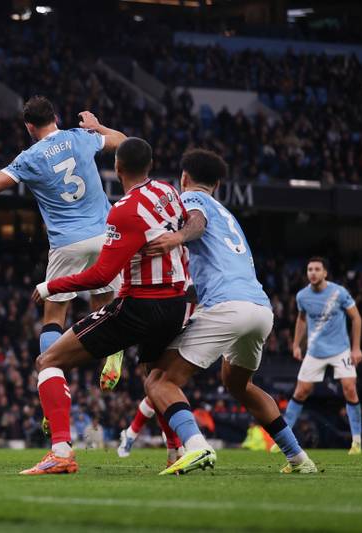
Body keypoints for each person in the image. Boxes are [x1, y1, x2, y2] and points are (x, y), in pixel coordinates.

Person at [141, 149, 317, 475]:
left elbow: (196, 222)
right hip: (260, 309)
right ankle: (299, 459)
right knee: (238, 384)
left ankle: (196, 445)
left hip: (227, 306)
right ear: (219, 183)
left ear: (184, 178)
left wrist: (177, 237)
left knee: (159, 381)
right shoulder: (229, 214)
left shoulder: (192, 200)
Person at [22, 138, 190, 475]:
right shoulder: (168, 192)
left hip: (138, 306)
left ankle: (60, 451)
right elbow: (185, 224)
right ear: (151, 164)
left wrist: (50, 285)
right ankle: (177, 450)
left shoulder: (123, 210)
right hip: (177, 303)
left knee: (49, 359)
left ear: (117, 168)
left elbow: (102, 274)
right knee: (156, 380)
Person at [0, 95, 127, 389]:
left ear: (30, 127)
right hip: (105, 236)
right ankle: (114, 352)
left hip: (68, 243)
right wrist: (98, 126)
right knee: (103, 304)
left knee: (54, 316)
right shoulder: (81, 137)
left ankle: (54, 381)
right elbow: (123, 141)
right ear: (55, 117)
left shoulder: (29, 158)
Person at [283, 257, 362, 454]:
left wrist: (356, 348)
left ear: (325, 273)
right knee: (301, 391)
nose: (312, 272)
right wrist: (296, 345)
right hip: (315, 351)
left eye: (317, 269)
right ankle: (283, 440)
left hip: (340, 349)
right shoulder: (302, 296)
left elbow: (356, 318)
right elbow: (301, 320)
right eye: (309, 269)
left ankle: (357, 442)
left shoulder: (339, 292)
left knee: (349, 388)